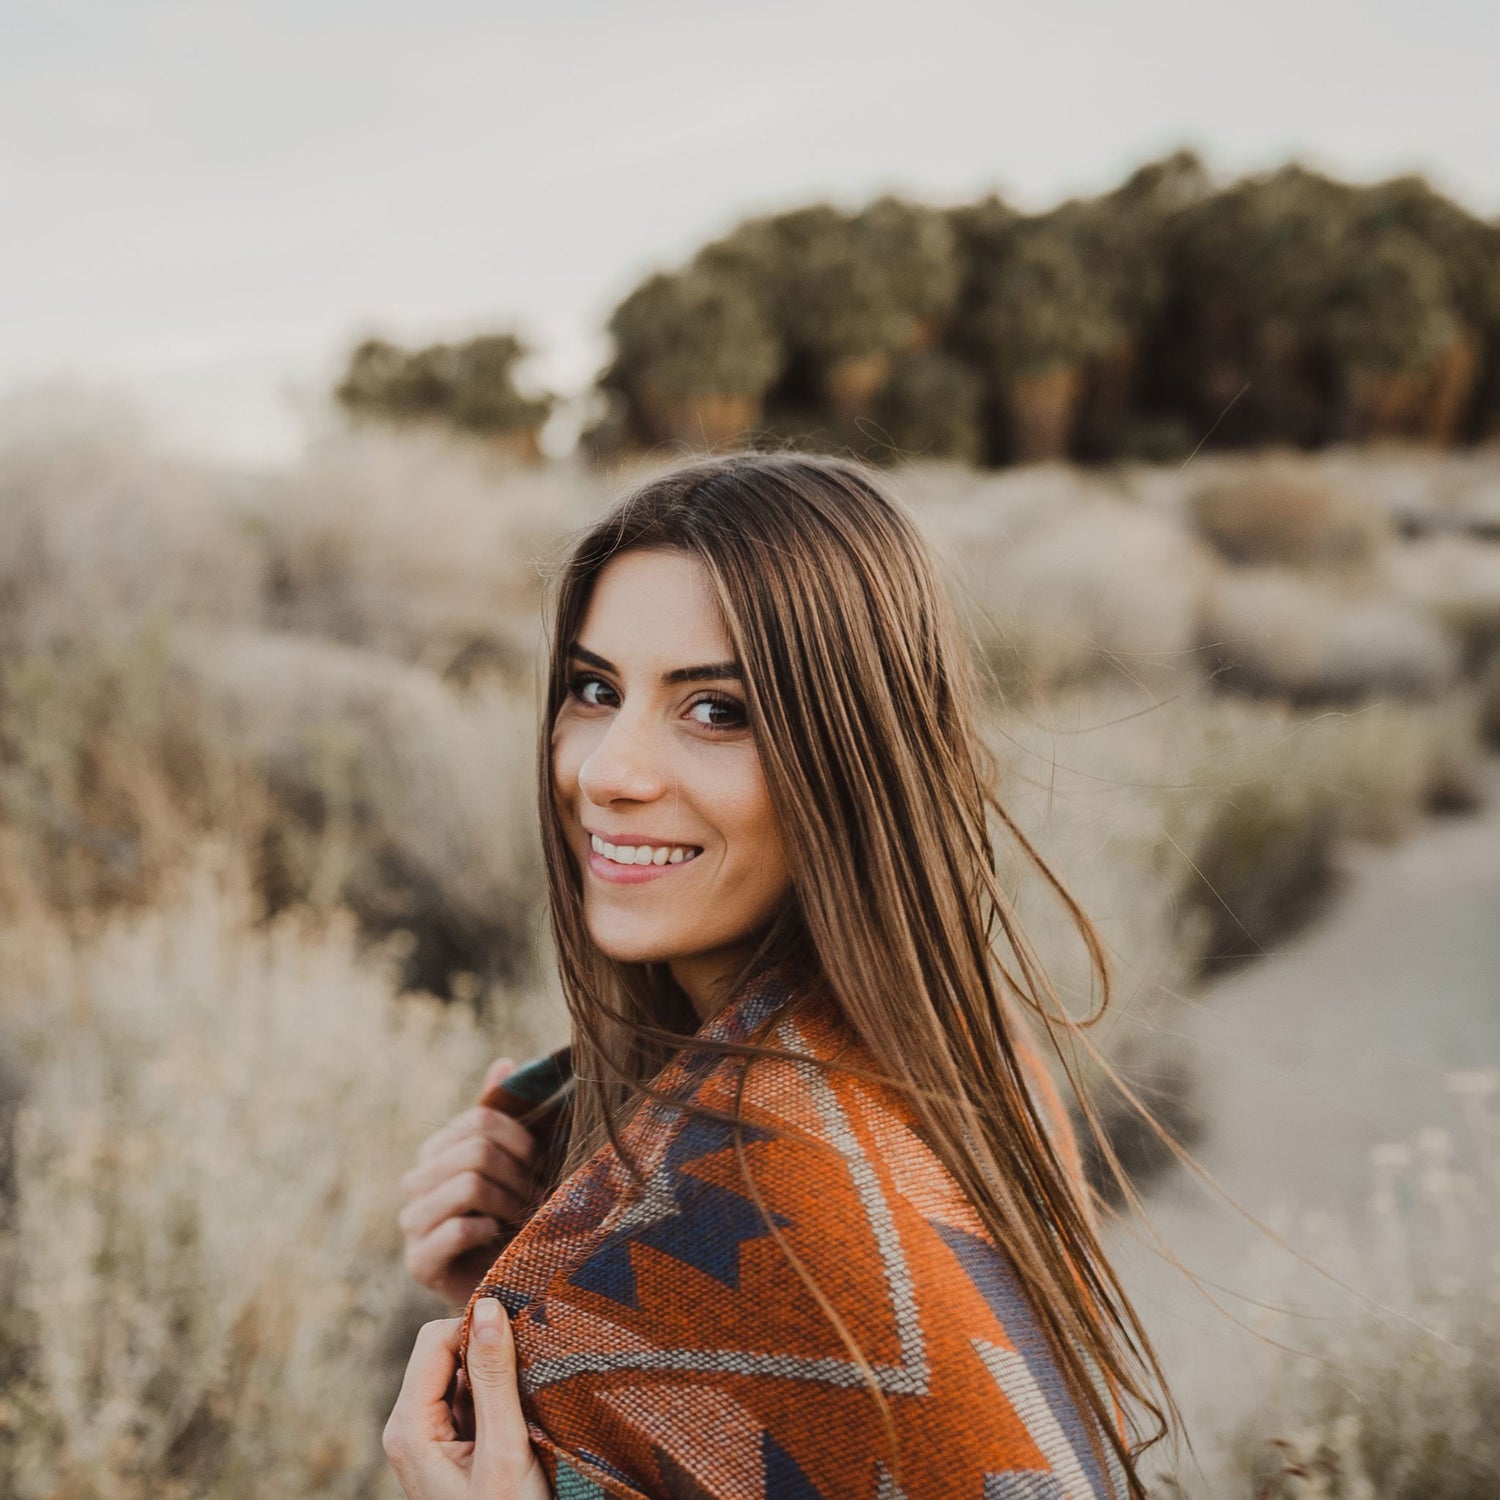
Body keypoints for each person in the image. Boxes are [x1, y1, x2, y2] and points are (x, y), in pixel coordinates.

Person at [381, 452, 1179, 1500]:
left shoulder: (756, 1197)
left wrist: (578, 1302)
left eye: (716, 710)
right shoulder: (977, 1064)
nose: (609, 770)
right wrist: (528, 1271)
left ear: (857, 755)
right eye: (593, 689)